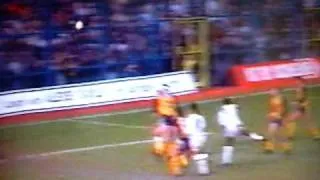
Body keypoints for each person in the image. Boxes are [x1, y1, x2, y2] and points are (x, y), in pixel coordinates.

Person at [217, 98, 264, 166]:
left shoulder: (220, 111)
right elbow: (238, 107)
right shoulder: (234, 106)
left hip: (228, 128)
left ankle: (226, 161)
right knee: (247, 133)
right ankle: (260, 138)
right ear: (230, 102)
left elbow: (221, 123)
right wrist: (237, 102)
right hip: (238, 126)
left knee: (228, 144)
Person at [152, 84, 179, 157]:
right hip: (172, 116)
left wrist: (155, 112)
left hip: (164, 116)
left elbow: (156, 104)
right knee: (172, 135)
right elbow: (175, 106)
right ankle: (174, 150)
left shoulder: (161, 98)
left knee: (158, 133)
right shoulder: (172, 98)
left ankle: (161, 150)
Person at [263, 89, 291, 153]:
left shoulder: (282, 99)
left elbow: (285, 109)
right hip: (274, 119)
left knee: (281, 134)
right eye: (270, 91)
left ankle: (286, 147)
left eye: (272, 91)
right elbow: (271, 109)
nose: (270, 92)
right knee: (271, 132)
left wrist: (282, 116)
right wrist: (270, 114)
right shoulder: (271, 100)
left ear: (277, 92)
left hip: (281, 118)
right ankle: (269, 148)